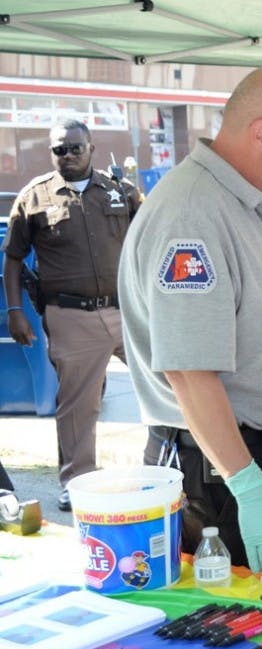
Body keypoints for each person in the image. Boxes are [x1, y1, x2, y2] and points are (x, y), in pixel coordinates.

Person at [117, 66, 262, 577]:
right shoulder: (194, 215)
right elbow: (190, 373)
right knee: (237, 636)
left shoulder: (248, 205)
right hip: (221, 471)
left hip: (250, 455)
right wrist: (248, 485)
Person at [2, 119, 140, 512]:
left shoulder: (120, 191)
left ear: (91, 148)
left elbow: (147, 244)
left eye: (75, 148)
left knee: (169, 383)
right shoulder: (34, 197)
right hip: (71, 315)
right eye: (59, 149)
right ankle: (77, 483)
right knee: (78, 406)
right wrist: (16, 312)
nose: (68, 155)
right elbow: (13, 260)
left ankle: (172, 464)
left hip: (126, 311)